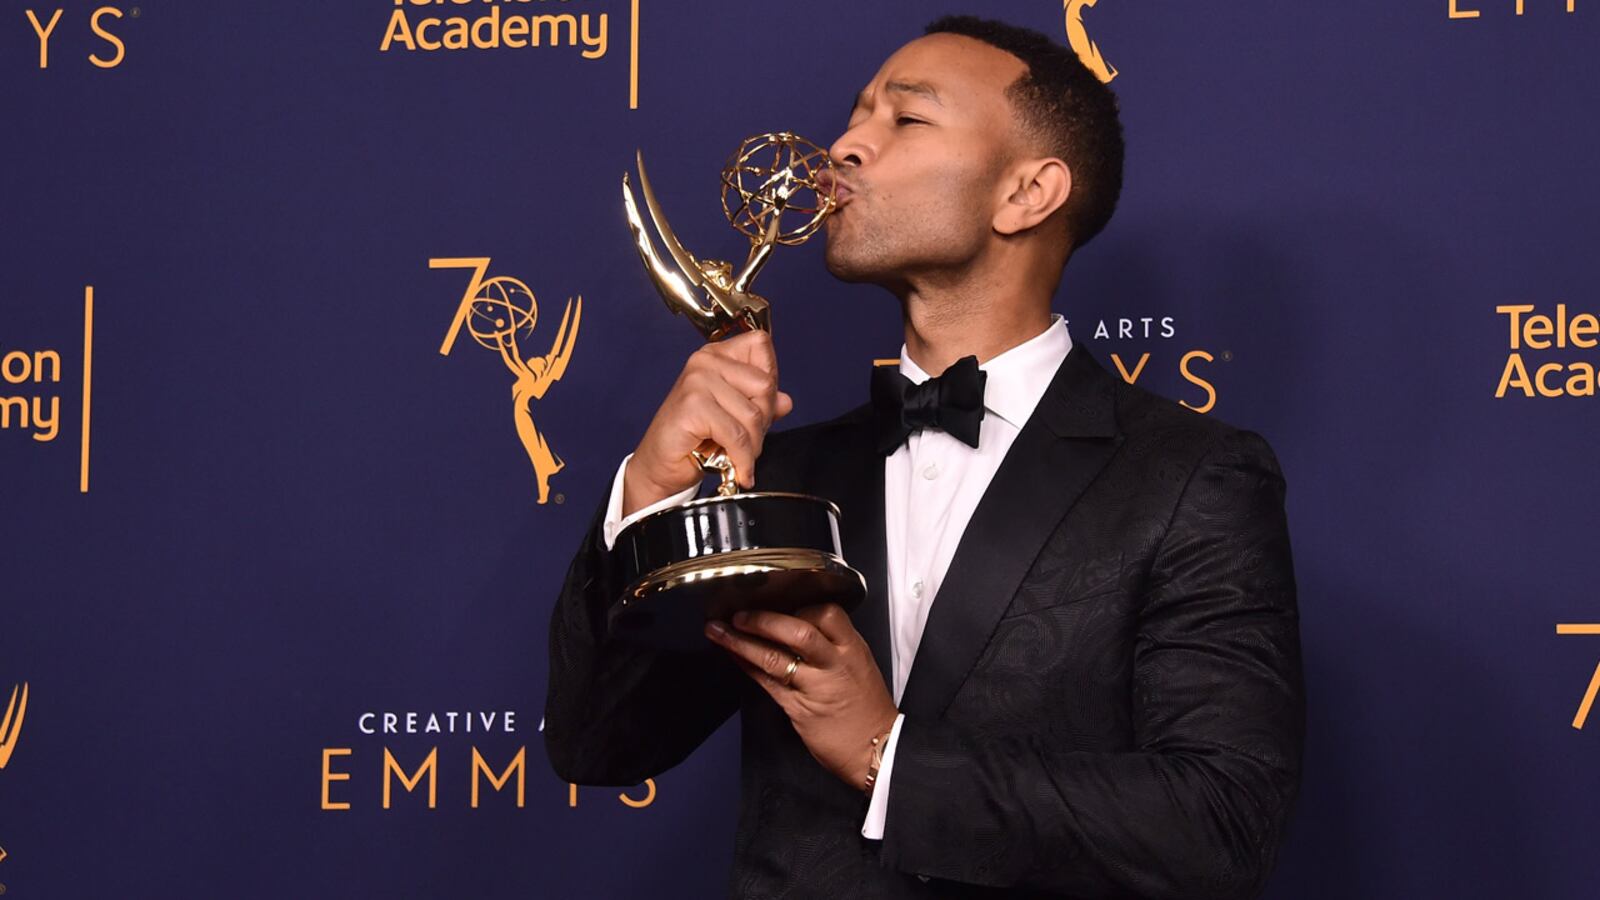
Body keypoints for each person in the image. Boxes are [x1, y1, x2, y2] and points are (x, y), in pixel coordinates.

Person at [544, 14, 1304, 899]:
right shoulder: (776, 477)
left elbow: (1222, 825)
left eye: (905, 120)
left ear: (1028, 192)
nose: (844, 147)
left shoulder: (1190, 478)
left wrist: (887, 753)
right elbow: (598, 743)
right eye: (856, 114)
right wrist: (651, 500)